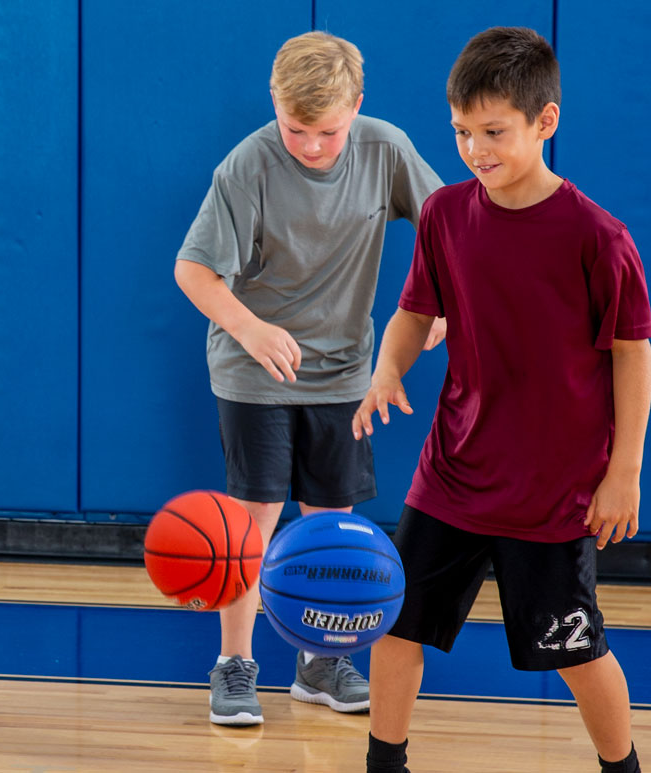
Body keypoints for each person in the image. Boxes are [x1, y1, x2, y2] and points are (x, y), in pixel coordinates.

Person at [353, 27, 651, 773]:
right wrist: (386, 367)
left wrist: (624, 473)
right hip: (452, 472)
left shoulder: (598, 237)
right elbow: (415, 312)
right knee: (396, 627)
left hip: (553, 493)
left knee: (577, 653)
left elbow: (633, 354)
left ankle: (624, 767)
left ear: (545, 122)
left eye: (493, 132)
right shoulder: (448, 216)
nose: (474, 149)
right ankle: (383, 763)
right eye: (460, 131)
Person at [173, 31, 444, 726]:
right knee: (253, 526)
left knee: (332, 524)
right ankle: (235, 663)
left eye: (327, 131)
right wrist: (252, 328)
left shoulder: (386, 149)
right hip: (254, 368)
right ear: (275, 105)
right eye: (297, 130)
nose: (314, 146)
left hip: (344, 372)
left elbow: (452, 227)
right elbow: (194, 270)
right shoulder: (247, 167)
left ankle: (320, 659)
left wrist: (444, 298)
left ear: (357, 105)